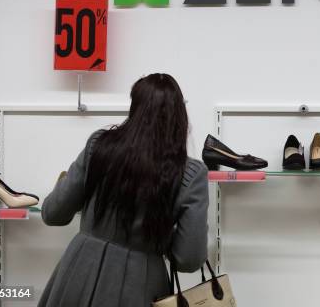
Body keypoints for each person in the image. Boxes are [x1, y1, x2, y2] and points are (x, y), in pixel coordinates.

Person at [39, 73, 209, 307]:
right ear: (179, 116)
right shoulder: (190, 174)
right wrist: (159, 232)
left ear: (135, 107)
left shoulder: (99, 146)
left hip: (77, 275)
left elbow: (53, 213)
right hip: (141, 285)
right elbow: (189, 259)